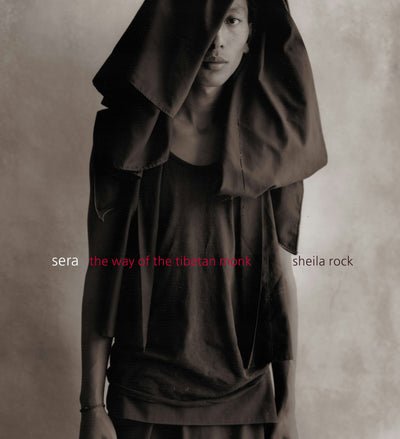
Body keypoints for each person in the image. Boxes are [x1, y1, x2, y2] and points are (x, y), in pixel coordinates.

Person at [79, 0, 327, 438]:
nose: (217, 40)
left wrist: (288, 407)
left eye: (232, 20)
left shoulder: (276, 146)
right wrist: (91, 405)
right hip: (140, 396)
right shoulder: (128, 138)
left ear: (250, 34)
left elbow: (279, 278)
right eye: (207, 21)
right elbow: (102, 272)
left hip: (245, 400)